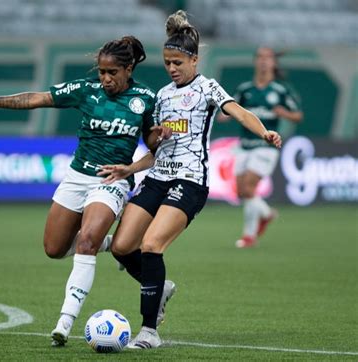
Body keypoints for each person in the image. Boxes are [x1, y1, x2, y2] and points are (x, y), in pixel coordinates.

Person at [0, 36, 171, 347]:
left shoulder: (145, 98)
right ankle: (113, 245)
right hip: (76, 177)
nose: (105, 78)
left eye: (112, 72)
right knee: (54, 248)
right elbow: (36, 98)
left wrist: (155, 140)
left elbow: (153, 149)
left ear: (128, 69)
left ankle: (64, 322)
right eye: (101, 72)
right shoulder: (87, 91)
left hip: (111, 180)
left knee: (85, 242)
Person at [96, 10, 282, 349]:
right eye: (167, 62)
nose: (172, 68)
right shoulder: (163, 96)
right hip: (157, 178)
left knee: (152, 246)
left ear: (194, 60)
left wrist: (264, 131)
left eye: (178, 62)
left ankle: (149, 331)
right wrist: (131, 167)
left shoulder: (207, 88)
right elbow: (156, 150)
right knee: (122, 247)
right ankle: (161, 287)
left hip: (190, 181)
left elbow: (238, 111)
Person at [219, 47, 303, 248]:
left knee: (248, 188)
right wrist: (223, 114)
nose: (264, 61)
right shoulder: (245, 89)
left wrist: (284, 113)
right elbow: (230, 108)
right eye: (261, 57)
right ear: (256, 61)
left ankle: (249, 235)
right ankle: (265, 214)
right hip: (244, 146)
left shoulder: (281, 90)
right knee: (241, 192)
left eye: (268, 58)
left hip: (265, 147)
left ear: (274, 63)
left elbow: (298, 115)